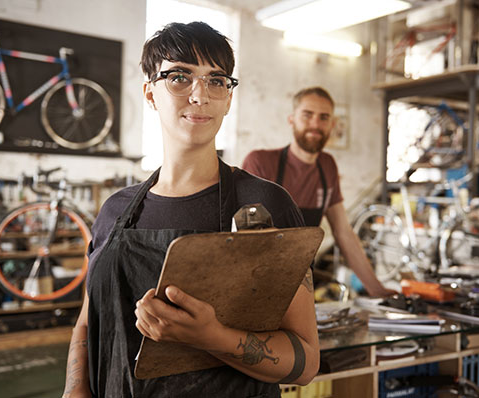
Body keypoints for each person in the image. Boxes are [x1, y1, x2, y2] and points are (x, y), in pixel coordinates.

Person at [62, 22, 319, 398]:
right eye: (179, 77)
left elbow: (306, 362)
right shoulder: (114, 211)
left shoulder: (264, 206)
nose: (200, 95)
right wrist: (74, 391)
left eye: (216, 80)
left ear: (229, 98)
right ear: (150, 94)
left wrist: (212, 337)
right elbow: (87, 324)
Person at [242, 87, 396, 298]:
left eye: (324, 118)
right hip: (258, 286)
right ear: (292, 119)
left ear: (332, 125)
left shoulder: (327, 166)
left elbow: (343, 232)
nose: (315, 124)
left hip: (303, 287)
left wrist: (378, 291)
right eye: (307, 115)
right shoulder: (260, 162)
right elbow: (244, 238)